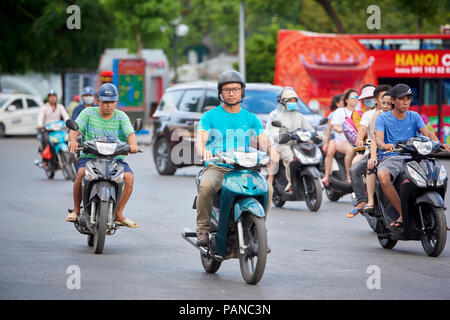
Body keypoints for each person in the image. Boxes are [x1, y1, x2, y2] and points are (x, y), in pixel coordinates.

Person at [195, 70, 278, 247]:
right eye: (226, 90)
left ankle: (259, 227)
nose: (231, 93)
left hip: (245, 168)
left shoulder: (250, 118)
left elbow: (263, 139)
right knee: (206, 186)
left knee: (268, 189)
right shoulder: (210, 116)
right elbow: (200, 138)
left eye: (235, 89)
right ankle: (202, 228)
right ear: (220, 92)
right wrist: (204, 151)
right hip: (218, 166)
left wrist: (272, 151)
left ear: (242, 91)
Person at [65, 83, 141, 228]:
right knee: (81, 173)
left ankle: (119, 214)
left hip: (115, 159)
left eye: (112, 102)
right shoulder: (87, 114)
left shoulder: (121, 116)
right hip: (90, 157)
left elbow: (130, 134)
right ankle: (75, 210)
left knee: (129, 178)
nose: (108, 105)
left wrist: (133, 146)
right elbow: (75, 129)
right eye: (105, 101)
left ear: (116, 102)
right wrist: (73, 141)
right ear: (98, 100)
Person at [374, 83, 450, 227]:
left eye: (408, 98)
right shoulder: (382, 118)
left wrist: (440, 144)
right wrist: (384, 145)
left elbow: (427, 133)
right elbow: (378, 138)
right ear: (393, 101)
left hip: (414, 157)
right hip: (393, 157)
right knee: (383, 176)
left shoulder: (414, 116)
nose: (406, 102)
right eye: (402, 99)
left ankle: (437, 210)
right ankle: (402, 214)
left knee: (439, 173)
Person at [347, 84, 391, 217]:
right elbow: (368, 134)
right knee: (356, 167)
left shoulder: (401, 113)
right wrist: (359, 140)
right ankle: (363, 200)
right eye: (382, 98)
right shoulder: (370, 114)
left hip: (395, 152)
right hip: (370, 149)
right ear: (377, 100)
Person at [265, 87, 315, 192]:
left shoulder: (300, 116)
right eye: (290, 101)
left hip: (297, 144)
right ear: (284, 102)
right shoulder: (276, 115)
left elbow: (309, 128)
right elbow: (272, 133)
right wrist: (276, 141)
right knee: (290, 158)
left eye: (294, 100)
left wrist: (316, 135)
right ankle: (291, 183)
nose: (293, 102)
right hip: (282, 144)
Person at [330, 89, 359, 183]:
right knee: (350, 150)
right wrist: (343, 130)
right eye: (352, 97)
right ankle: (349, 175)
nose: (355, 99)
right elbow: (335, 126)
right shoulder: (339, 111)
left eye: (357, 97)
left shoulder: (359, 112)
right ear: (346, 100)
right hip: (342, 141)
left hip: (357, 141)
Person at [36, 90, 69, 168]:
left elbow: (66, 116)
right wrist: (40, 125)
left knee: (67, 138)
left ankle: (72, 156)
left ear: (57, 98)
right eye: (51, 97)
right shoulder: (44, 108)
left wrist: (68, 122)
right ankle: (45, 161)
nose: (52, 98)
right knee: (46, 141)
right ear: (48, 98)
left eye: (54, 97)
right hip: (47, 130)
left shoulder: (60, 107)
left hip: (58, 129)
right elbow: (40, 117)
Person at [321, 94, 344, 187]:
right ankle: (326, 176)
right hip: (334, 138)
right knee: (330, 153)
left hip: (346, 138)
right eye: (342, 101)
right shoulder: (332, 114)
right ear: (337, 103)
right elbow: (329, 129)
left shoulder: (350, 112)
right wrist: (326, 143)